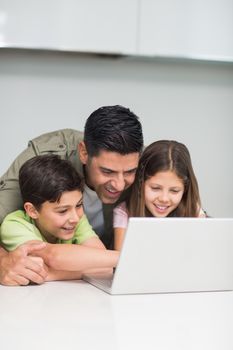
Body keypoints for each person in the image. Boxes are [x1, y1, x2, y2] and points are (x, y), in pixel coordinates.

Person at [0, 105, 143, 285]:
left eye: (130, 172)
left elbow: (103, 265)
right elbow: (51, 257)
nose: (120, 184)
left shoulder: (142, 160)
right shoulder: (41, 158)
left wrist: (51, 274)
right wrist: (2, 261)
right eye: (107, 171)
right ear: (84, 153)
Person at [0, 154, 119, 283]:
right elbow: (53, 255)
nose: (74, 218)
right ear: (32, 210)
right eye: (63, 211)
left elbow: (104, 264)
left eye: (79, 205)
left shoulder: (76, 218)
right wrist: (124, 257)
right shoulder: (14, 224)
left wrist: (51, 273)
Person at [113, 140, 207, 251]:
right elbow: (122, 262)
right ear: (140, 184)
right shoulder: (124, 213)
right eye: (155, 188)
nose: (164, 198)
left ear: (185, 190)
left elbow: (201, 252)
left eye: (174, 191)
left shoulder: (193, 211)